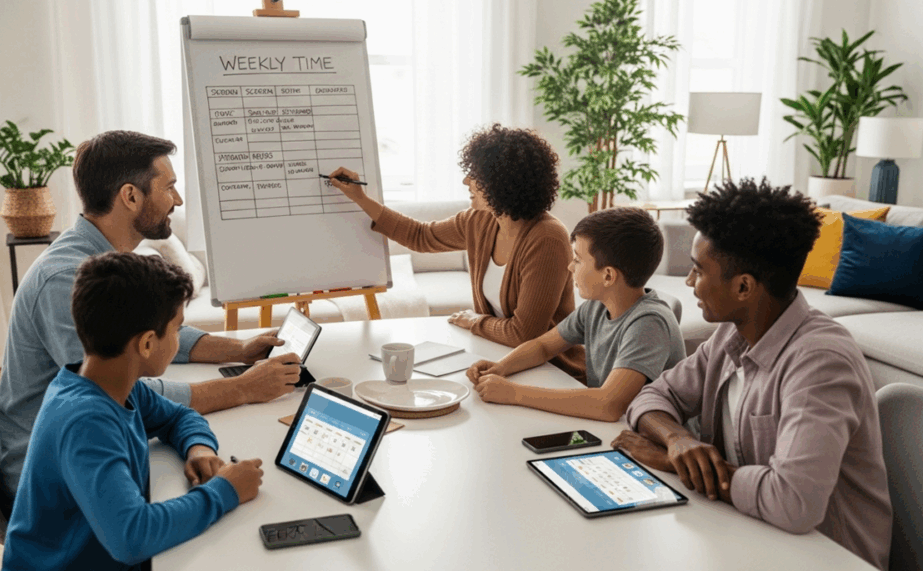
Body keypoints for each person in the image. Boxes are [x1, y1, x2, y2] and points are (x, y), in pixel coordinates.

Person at [0, 130, 300, 501]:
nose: (178, 199)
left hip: (90, 451)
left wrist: (240, 351)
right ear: (130, 196)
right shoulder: (66, 278)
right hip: (51, 479)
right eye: (168, 187)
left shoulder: (107, 262)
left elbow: (159, 327)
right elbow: (124, 394)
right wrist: (243, 388)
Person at [612, 179, 891, 570]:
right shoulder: (732, 333)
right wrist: (677, 440)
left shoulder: (821, 363)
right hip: (747, 535)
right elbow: (653, 397)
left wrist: (674, 463)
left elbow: (794, 503)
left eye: (697, 270)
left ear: (744, 287)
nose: (690, 282)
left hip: (823, 557)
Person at [2, 252, 264, 570]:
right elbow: (132, 537)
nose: (179, 339)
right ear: (147, 344)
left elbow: (179, 416)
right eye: (177, 329)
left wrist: (199, 447)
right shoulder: (87, 422)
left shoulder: (111, 382)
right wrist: (226, 490)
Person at [329, 124, 584, 379]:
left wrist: (474, 321)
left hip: (551, 370)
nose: (466, 181)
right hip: (498, 357)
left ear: (501, 182)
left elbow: (524, 333)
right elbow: (421, 236)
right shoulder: (480, 221)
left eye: (475, 174)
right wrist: (360, 198)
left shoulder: (547, 239)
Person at [465, 207, 685, 421]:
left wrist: (513, 393)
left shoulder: (648, 324)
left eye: (578, 259)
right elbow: (543, 346)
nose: (570, 267)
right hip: (615, 430)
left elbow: (608, 405)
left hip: (652, 442)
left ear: (608, 276)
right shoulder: (597, 306)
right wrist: (500, 366)